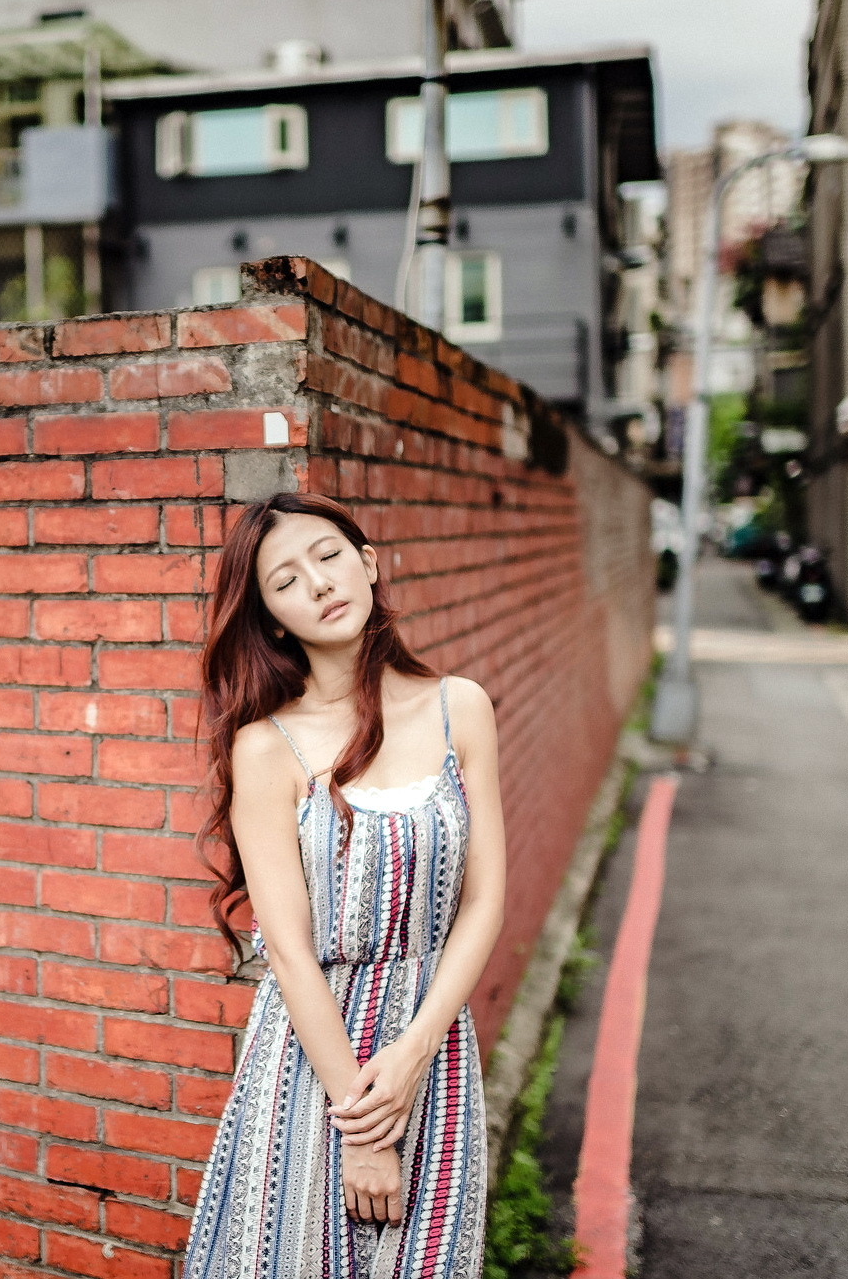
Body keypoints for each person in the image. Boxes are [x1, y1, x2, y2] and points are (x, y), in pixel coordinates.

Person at [181, 492, 508, 1279]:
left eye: (327, 556)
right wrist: (363, 1130)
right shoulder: (267, 746)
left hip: (427, 1054)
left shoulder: (457, 707)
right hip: (312, 1064)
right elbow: (288, 952)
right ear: (272, 619)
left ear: (366, 562)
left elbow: (482, 899)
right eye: (285, 581)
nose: (318, 583)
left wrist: (413, 1053)